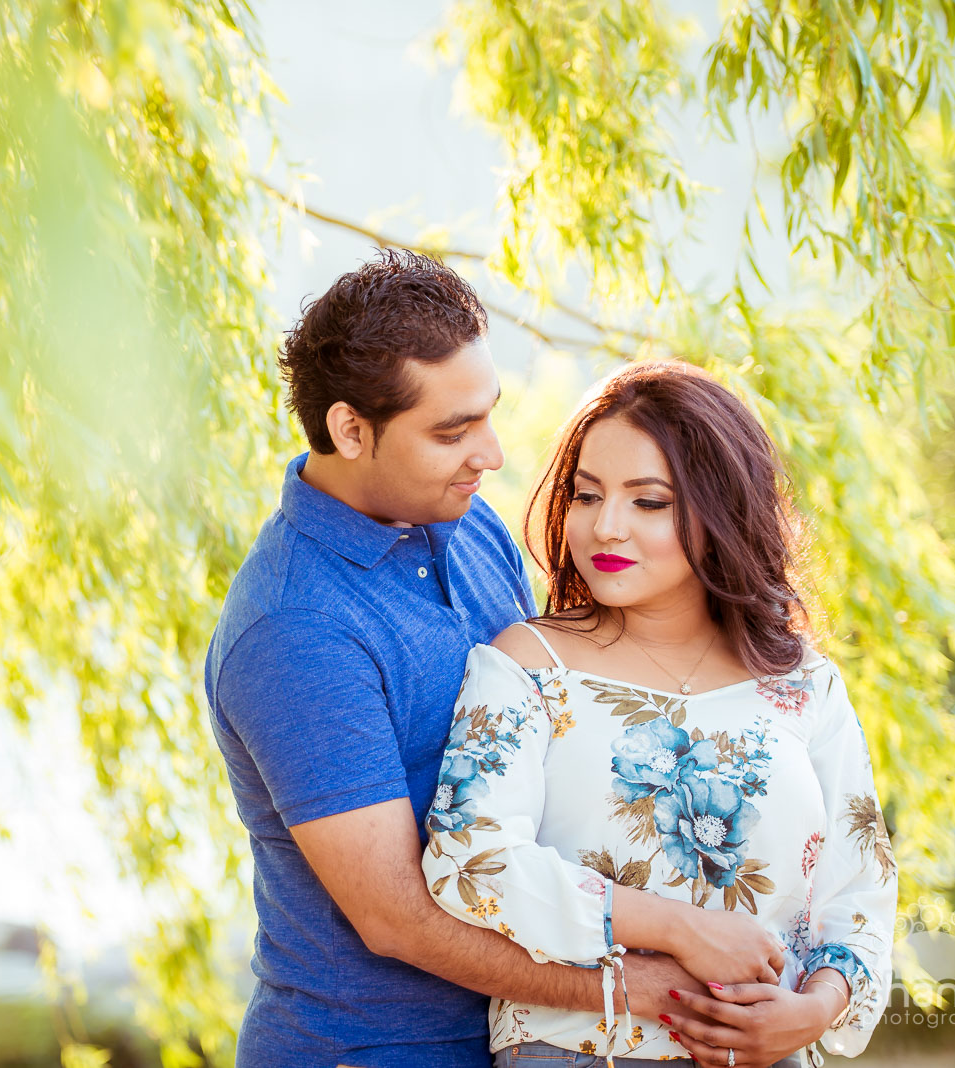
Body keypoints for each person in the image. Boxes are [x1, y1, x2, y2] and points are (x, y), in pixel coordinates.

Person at [206, 253, 722, 1068]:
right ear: (350, 430)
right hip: (375, 1051)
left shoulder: (469, 524)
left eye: (488, 415)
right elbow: (395, 918)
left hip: (521, 1036)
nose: (492, 454)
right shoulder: (295, 630)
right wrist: (642, 986)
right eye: (452, 432)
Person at [423, 361, 898, 1068]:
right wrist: (678, 929)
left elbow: (861, 889)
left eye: (648, 502)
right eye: (587, 495)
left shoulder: (803, 683)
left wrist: (814, 1009)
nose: (605, 527)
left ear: (722, 509)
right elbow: (470, 860)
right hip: (577, 1051)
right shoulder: (527, 666)